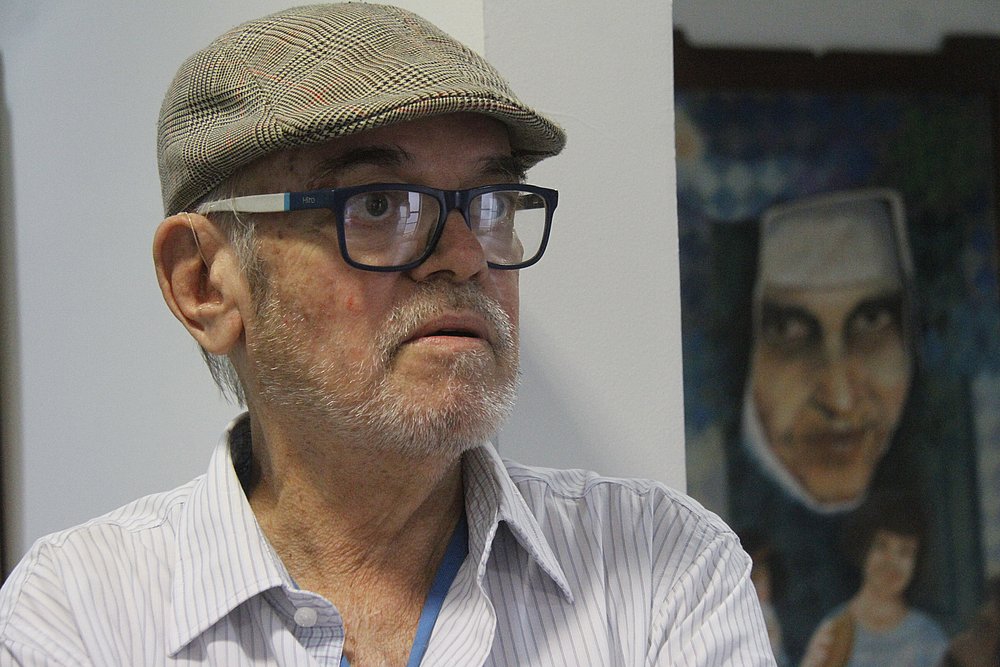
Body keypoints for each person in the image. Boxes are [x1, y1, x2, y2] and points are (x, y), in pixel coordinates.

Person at [0, 4, 774, 665]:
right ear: (203, 282)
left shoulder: (662, 570)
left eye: (492, 202)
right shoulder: (84, 612)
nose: (465, 255)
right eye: (376, 204)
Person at [800, 489, 947, 667]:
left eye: (905, 551)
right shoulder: (835, 631)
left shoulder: (929, 638)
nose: (891, 562)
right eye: (881, 546)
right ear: (863, 549)